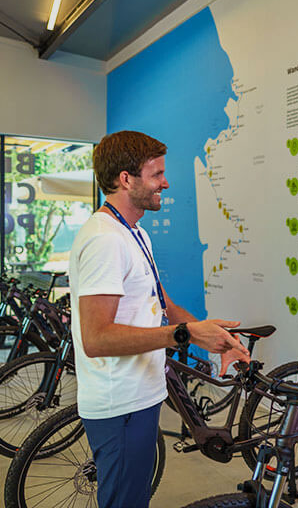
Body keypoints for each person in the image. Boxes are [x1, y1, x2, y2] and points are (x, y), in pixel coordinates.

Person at [69, 130, 249, 508]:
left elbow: (161, 303)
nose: (165, 183)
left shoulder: (133, 232)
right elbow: (96, 338)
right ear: (125, 179)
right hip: (120, 404)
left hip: (142, 395)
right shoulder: (106, 240)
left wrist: (210, 334)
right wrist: (184, 334)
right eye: (156, 174)